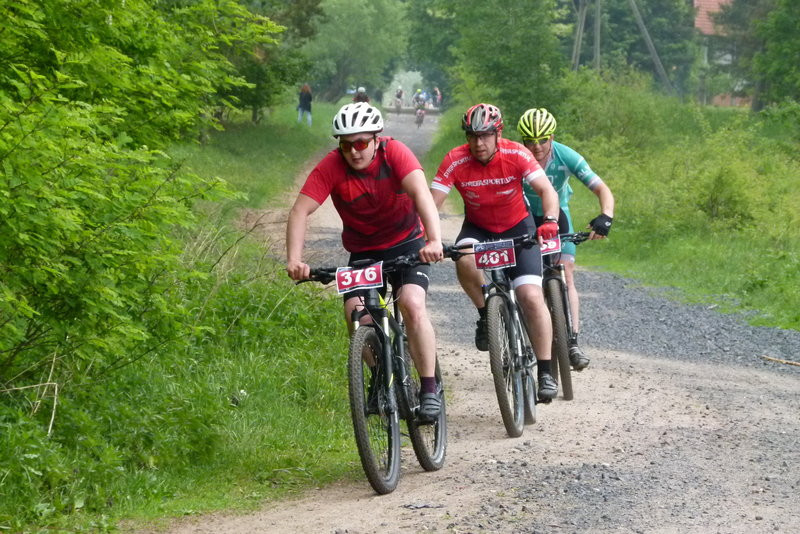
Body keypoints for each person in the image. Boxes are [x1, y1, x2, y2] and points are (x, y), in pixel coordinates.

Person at [286, 102, 445, 419]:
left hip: (407, 243)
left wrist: (434, 240)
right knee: (355, 314)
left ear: (376, 139)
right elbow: (299, 211)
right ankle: (377, 378)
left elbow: (422, 195)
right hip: (364, 252)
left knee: (412, 304)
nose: (354, 152)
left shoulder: (395, 153)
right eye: (346, 145)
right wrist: (295, 260)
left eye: (361, 143)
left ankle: (429, 387)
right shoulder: (332, 166)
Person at [430, 103, 561, 399]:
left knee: (529, 296)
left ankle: (544, 371)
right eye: (472, 136)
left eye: (486, 135)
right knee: (463, 256)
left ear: (498, 133)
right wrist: (429, 238)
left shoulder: (516, 153)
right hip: (479, 229)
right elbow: (431, 203)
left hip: (518, 228)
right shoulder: (455, 159)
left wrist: (550, 221)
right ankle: (484, 314)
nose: (478, 143)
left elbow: (546, 191)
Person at [517, 108, 615, 371]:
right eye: (529, 141)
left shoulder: (565, 155)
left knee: (566, 272)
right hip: (525, 218)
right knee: (525, 280)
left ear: (552, 137)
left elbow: (601, 188)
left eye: (542, 140)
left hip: (557, 216)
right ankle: (520, 335)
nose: (536, 147)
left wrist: (606, 216)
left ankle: (572, 341)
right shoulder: (515, 156)